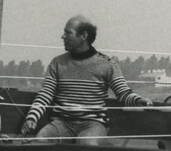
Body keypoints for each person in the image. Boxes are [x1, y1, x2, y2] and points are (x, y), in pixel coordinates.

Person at [21, 15, 148, 143]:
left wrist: (138, 100)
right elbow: (46, 93)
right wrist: (32, 117)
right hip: (62, 123)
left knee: (86, 143)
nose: (63, 36)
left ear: (84, 36)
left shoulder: (107, 64)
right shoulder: (57, 63)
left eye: (68, 32)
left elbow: (123, 93)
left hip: (93, 125)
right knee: (41, 139)